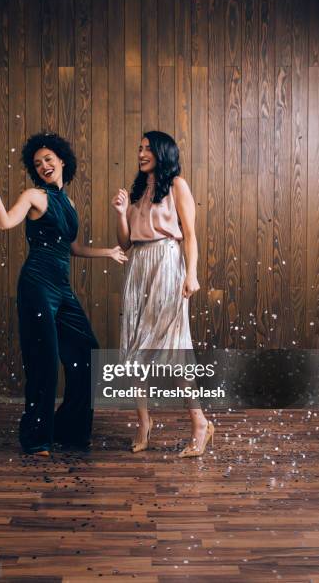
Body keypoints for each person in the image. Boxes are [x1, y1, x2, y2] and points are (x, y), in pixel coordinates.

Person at [0, 132, 127, 456]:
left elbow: (71, 248)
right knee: (44, 363)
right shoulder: (33, 196)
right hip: (37, 285)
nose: (43, 166)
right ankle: (36, 438)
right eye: (38, 163)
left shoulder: (66, 202)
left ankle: (68, 430)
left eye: (49, 160)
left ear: (62, 161)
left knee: (87, 353)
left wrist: (107, 253)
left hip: (62, 288)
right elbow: (4, 222)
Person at [111, 131, 214, 457]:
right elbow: (126, 244)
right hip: (139, 267)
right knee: (134, 350)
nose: (141, 153)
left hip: (167, 265)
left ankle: (200, 424)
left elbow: (190, 235)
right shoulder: (138, 191)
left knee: (174, 350)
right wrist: (120, 212)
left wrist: (192, 274)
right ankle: (144, 422)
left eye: (147, 149)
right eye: (139, 148)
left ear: (162, 152)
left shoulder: (177, 186)